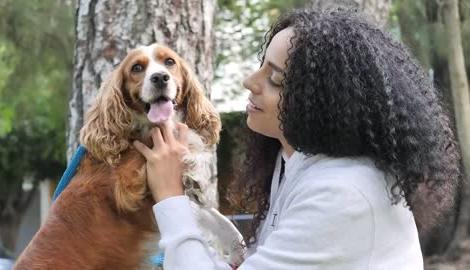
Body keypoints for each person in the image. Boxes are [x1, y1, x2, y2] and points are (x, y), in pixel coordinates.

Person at [133, 6, 461, 270]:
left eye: (274, 78)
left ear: (323, 103)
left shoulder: (343, 194)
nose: (249, 81)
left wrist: (169, 195)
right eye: (260, 66)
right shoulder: (293, 158)